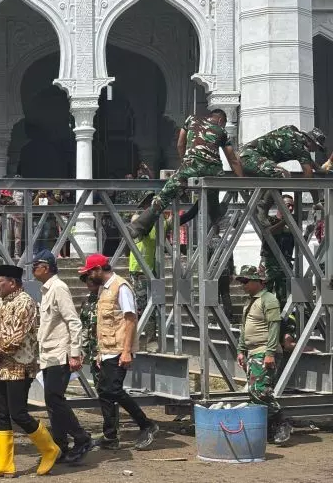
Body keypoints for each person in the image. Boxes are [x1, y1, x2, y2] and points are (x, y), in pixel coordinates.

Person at [0, 264, 60, 478]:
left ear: (12, 283)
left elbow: (15, 339)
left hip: (19, 367)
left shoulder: (25, 303)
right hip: (1, 368)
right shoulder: (1, 304)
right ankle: (5, 463)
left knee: (19, 413)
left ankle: (50, 449)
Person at [78, 253, 158, 450]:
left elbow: (130, 319)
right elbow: (105, 323)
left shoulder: (120, 287)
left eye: (90, 272)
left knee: (112, 389)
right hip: (106, 349)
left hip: (119, 349)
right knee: (105, 392)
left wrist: (126, 351)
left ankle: (146, 424)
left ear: (98, 270)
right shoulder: (104, 290)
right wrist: (99, 352)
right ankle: (110, 436)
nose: (89, 276)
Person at [127, 110, 243, 240]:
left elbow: (180, 144)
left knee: (165, 195)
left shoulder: (191, 119)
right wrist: (241, 181)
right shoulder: (222, 131)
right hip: (213, 171)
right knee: (212, 196)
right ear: (221, 120)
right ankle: (216, 222)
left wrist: (185, 163)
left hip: (190, 166)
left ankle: (139, 226)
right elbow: (232, 159)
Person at [31, 250, 92, 464]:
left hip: (60, 354)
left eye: (35, 265)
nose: (32, 269)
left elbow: (73, 322)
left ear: (45, 267)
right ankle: (60, 446)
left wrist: (75, 353)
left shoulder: (58, 288)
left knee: (55, 399)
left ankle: (81, 437)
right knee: (52, 401)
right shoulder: (47, 291)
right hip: (49, 354)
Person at [235, 265, 291, 444]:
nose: (243, 285)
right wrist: (241, 350)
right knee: (253, 393)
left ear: (258, 281)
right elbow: (244, 328)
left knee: (261, 391)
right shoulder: (250, 301)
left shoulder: (268, 299)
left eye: (245, 281)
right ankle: (268, 428)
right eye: (242, 281)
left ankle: (282, 422)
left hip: (264, 351)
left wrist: (270, 353)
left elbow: (274, 327)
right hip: (253, 352)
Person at [238, 125, 326, 225]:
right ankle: (261, 208)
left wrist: (321, 169)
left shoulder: (293, 132)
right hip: (249, 158)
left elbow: (312, 164)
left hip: (247, 155)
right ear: (310, 141)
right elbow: (309, 178)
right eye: (316, 147)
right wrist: (316, 201)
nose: (315, 151)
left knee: (278, 176)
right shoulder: (301, 148)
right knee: (282, 175)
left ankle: (262, 209)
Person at [129, 193, 157, 346]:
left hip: (143, 271)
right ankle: (144, 336)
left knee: (144, 305)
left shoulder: (149, 227)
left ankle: (148, 337)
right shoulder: (138, 228)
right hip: (136, 270)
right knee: (139, 304)